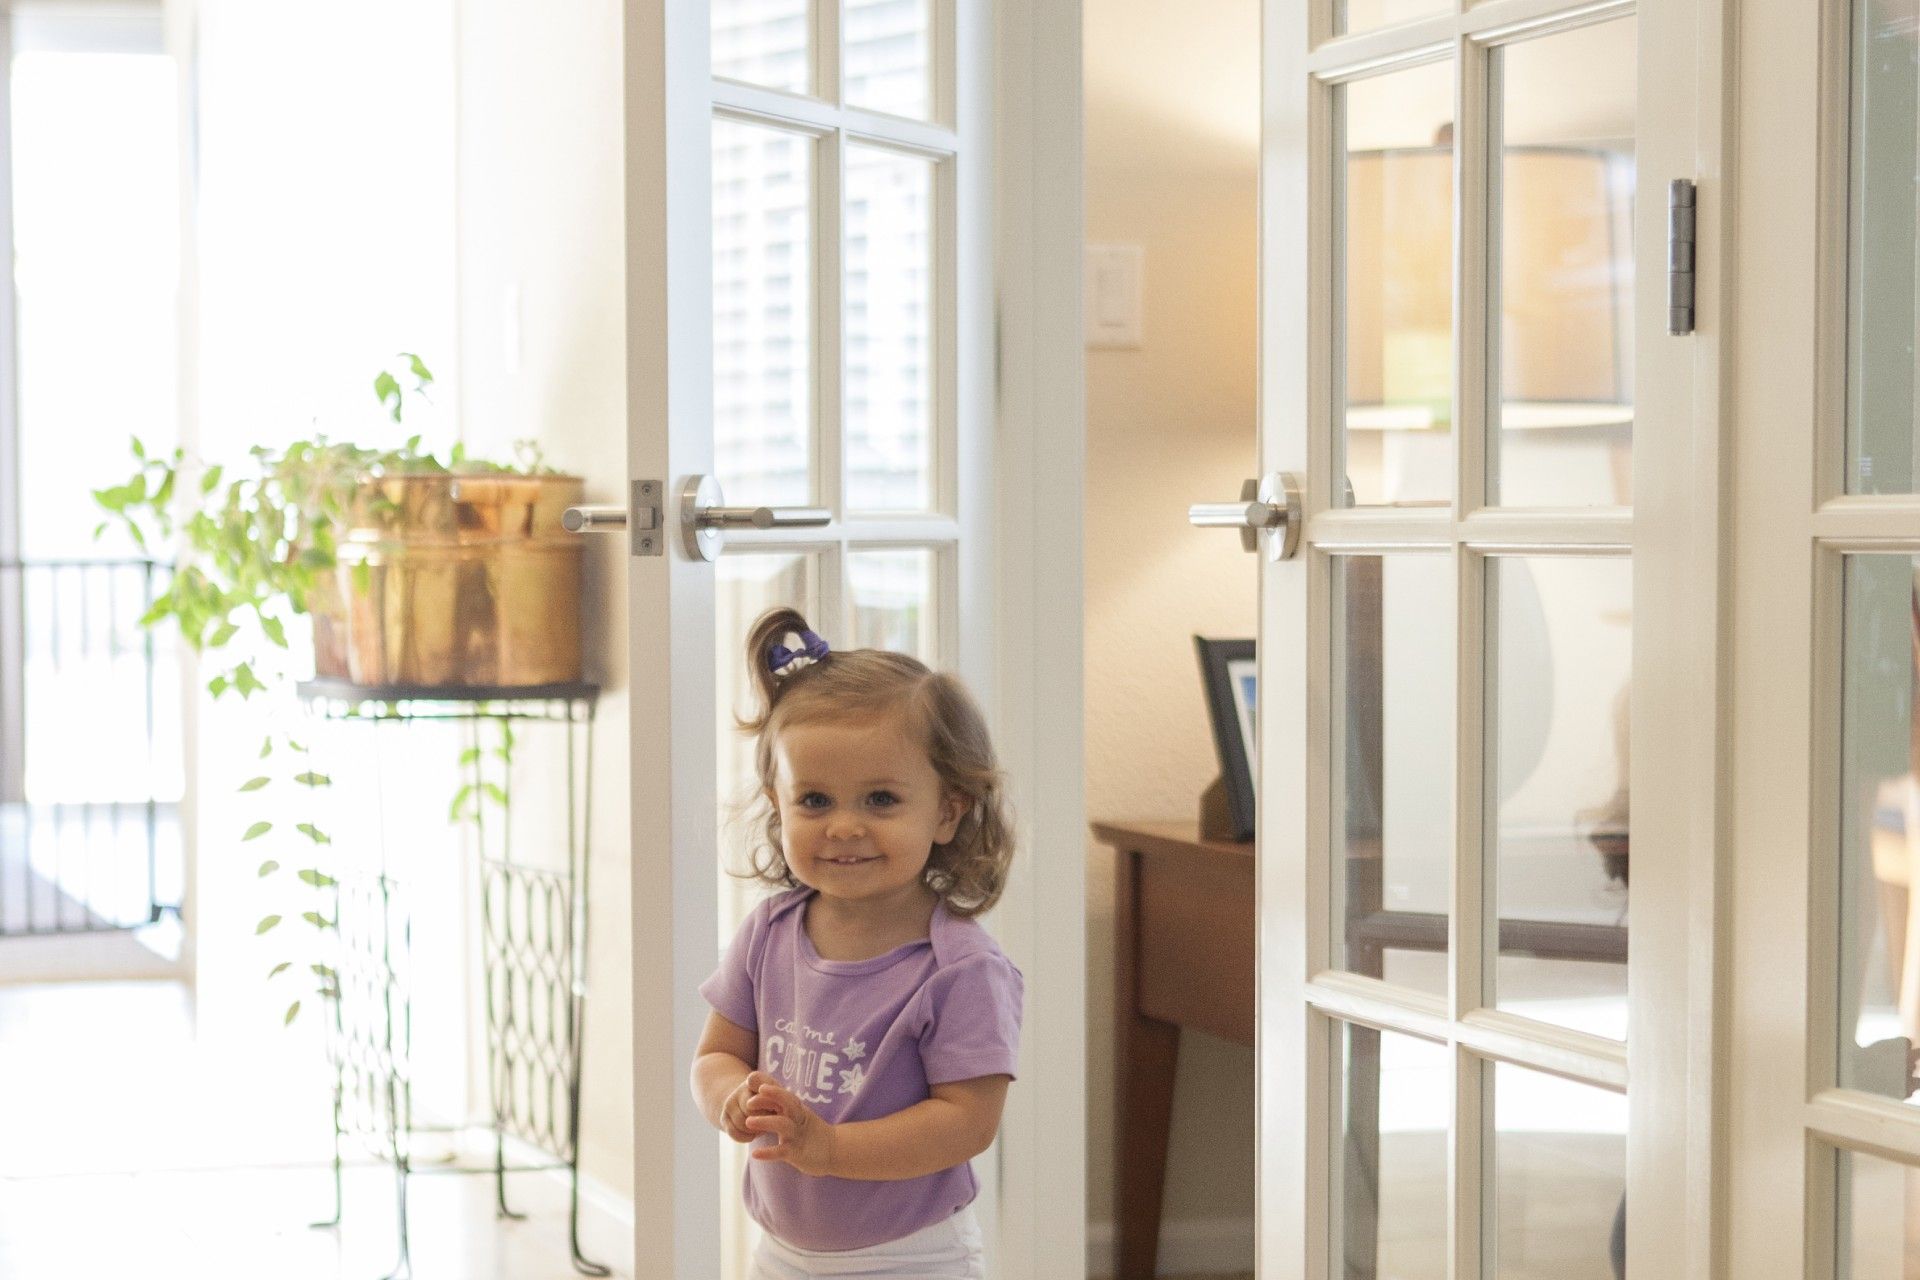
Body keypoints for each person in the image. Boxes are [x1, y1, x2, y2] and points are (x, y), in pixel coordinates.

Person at [689, 607, 1024, 1280]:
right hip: (782, 1249)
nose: (843, 827)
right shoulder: (769, 932)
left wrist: (831, 1147)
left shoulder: (960, 969)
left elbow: (967, 1122)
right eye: (814, 800)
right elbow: (717, 1056)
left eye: (879, 800)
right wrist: (730, 1098)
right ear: (776, 804)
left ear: (947, 811)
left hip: (913, 1257)